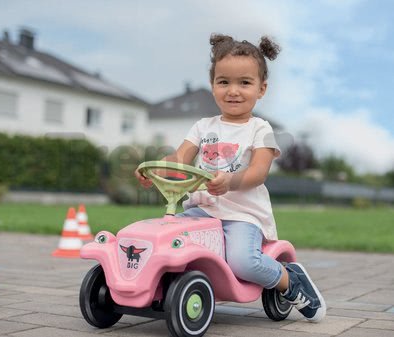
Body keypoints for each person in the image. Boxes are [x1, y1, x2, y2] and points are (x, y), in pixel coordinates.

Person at [135, 33, 326, 322]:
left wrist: (230, 182)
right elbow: (178, 159)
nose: (233, 91)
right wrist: (153, 169)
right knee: (164, 237)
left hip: (242, 215)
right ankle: (161, 288)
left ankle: (289, 280)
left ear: (261, 89)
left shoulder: (260, 129)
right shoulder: (203, 126)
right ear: (213, 86)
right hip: (203, 210)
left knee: (243, 261)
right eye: (224, 82)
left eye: (244, 83)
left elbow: (257, 173)